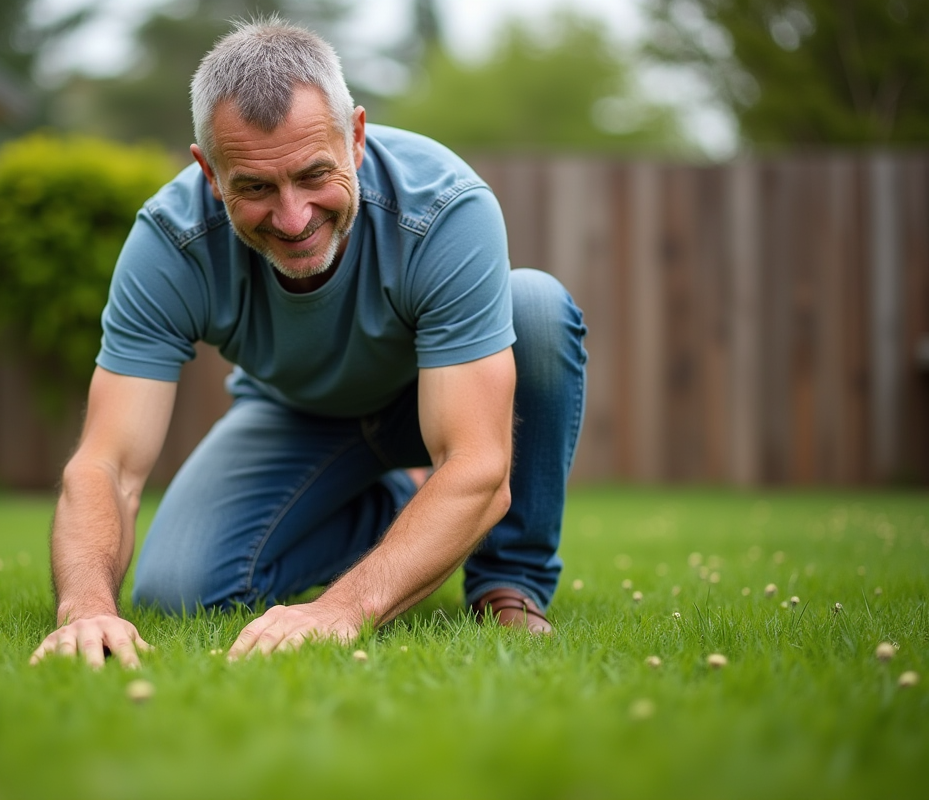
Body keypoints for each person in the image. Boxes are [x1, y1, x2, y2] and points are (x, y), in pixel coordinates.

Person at [30, 17, 587, 669]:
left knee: (536, 307)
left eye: (314, 174)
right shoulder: (170, 243)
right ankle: (401, 505)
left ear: (356, 137)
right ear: (209, 172)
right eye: (255, 187)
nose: (293, 218)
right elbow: (107, 464)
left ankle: (508, 583)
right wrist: (87, 609)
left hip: (436, 399)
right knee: (180, 590)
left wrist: (341, 610)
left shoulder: (444, 207)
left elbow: (477, 464)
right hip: (297, 413)